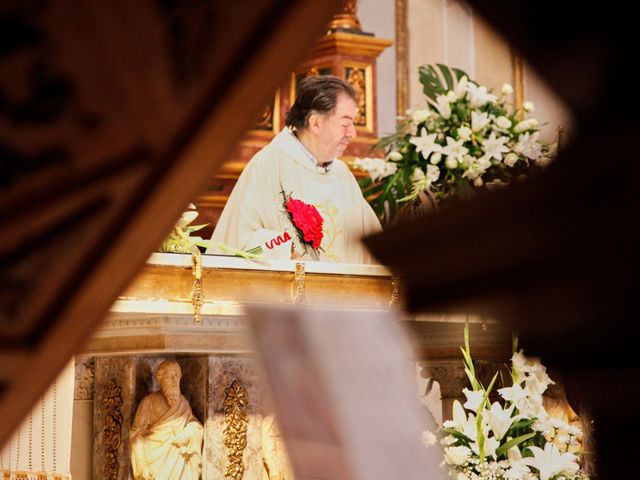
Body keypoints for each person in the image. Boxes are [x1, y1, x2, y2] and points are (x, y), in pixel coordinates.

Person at [209, 75, 381, 264]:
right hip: (285, 292)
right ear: (315, 123)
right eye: (345, 124)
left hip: (341, 293)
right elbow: (238, 247)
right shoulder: (269, 165)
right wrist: (283, 247)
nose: (352, 133)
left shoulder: (342, 175)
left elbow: (376, 250)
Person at [130, 360, 203, 480]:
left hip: (179, 464)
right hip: (154, 466)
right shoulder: (149, 402)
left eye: (177, 377)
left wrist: (189, 434)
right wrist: (142, 465)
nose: (175, 381)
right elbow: (136, 436)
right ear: (160, 379)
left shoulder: (183, 403)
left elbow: (196, 426)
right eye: (170, 376)